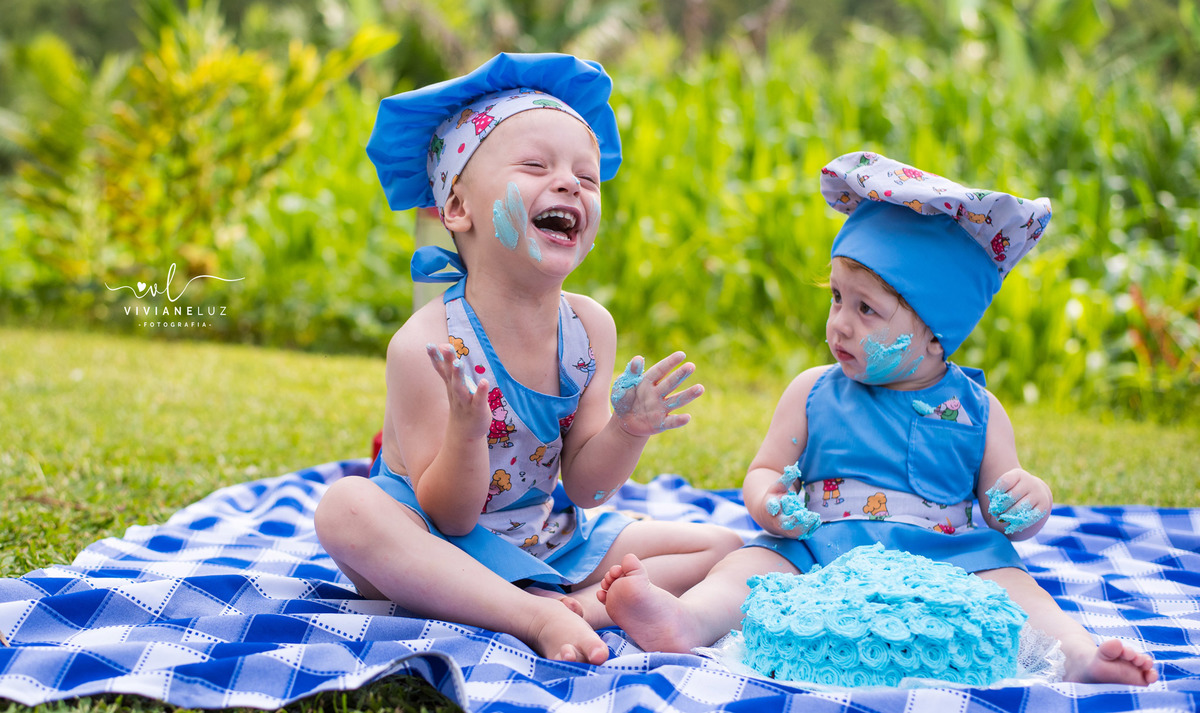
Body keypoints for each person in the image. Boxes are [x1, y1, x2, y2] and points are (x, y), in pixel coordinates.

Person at [599, 151, 1158, 686]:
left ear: (937, 331)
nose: (840, 324)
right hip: (820, 545)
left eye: (866, 309)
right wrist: (772, 506)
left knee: (1016, 588)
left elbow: (1002, 508)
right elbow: (764, 471)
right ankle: (685, 621)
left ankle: (1079, 656)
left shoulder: (979, 411)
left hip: (949, 557)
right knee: (746, 571)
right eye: (837, 298)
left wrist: (1028, 500)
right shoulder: (813, 391)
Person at [314, 53, 743, 666]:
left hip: (544, 537)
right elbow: (449, 513)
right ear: (457, 208)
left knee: (723, 545)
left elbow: (588, 488)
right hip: (438, 547)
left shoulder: (588, 328)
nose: (570, 183)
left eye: (587, 178)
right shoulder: (426, 343)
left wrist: (627, 428)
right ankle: (532, 613)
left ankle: (590, 607)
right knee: (345, 508)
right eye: (536, 166)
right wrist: (468, 428)